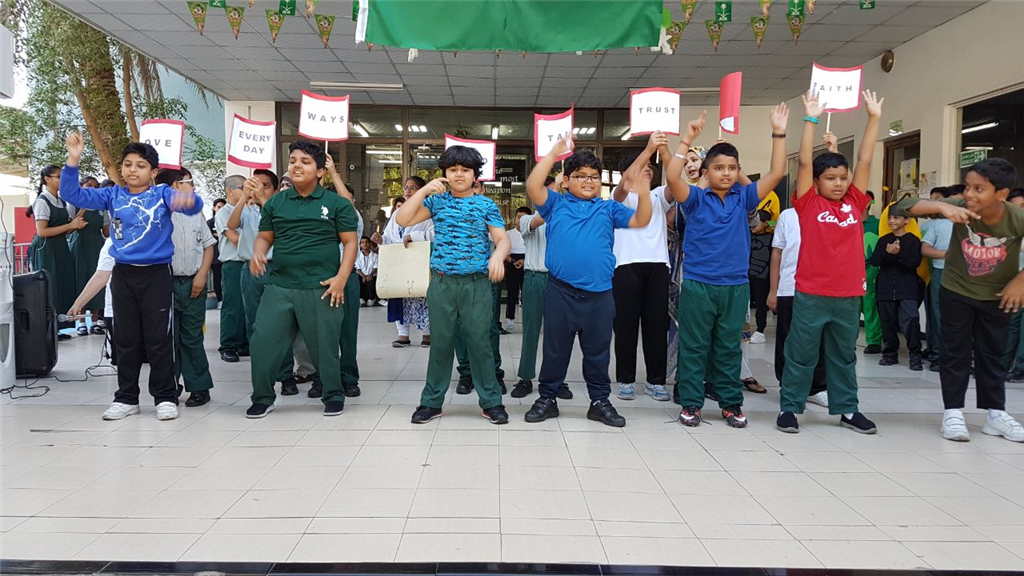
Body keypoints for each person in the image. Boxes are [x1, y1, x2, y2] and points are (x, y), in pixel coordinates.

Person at [61, 132, 203, 421]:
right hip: (123, 274)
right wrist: (73, 160)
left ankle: (165, 397)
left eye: (140, 165)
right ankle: (126, 398)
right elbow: (72, 194)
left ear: (154, 172)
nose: (132, 170)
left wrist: (188, 196)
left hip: (157, 274)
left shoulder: (162, 195)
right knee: (125, 339)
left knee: (158, 339)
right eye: (128, 164)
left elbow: (194, 206)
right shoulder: (112, 195)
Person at [666, 105, 790, 428]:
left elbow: (776, 173)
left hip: (735, 287)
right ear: (705, 172)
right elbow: (672, 177)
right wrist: (687, 138)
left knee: (729, 348)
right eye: (719, 168)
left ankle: (731, 403)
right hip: (699, 285)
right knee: (694, 347)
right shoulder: (695, 199)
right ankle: (691, 403)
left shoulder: (744, 198)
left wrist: (778, 132)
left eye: (732, 168)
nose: (726, 173)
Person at [523, 137, 652, 428]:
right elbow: (533, 185)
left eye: (594, 176)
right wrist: (553, 153)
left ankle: (599, 401)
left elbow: (642, 220)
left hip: (600, 295)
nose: (588, 181)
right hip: (561, 291)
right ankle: (547, 398)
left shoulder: (608, 209)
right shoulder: (555, 204)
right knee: (555, 350)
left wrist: (643, 191)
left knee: (598, 351)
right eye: (580, 176)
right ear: (566, 180)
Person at [776, 90, 884, 435]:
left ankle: (847, 409)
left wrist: (873, 118)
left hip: (848, 295)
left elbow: (865, 160)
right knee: (801, 353)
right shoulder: (808, 204)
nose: (838, 184)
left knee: (844, 356)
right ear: (817, 182)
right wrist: (810, 118)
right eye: (830, 178)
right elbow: (804, 162)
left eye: (842, 178)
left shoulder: (855, 203)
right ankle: (790, 408)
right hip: (811, 293)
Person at [898, 159, 1024, 443]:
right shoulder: (959, 205)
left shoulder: (1016, 218)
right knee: (954, 352)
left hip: (997, 296)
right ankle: (952, 413)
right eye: (968, 186)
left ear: (1002, 194)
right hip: (956, 291)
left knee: (993, 354)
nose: (970, 194)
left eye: (979, 188)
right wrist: (942, 207)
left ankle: (996, 414)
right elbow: (902, 207)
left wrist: (1020, 280)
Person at [396, 146, 511, 425]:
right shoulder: (436, 202)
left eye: (465, 170)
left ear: (475, 175)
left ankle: (492, 401)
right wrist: (424, 191)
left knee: (480, 343)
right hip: (442, 283)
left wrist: (498, 256)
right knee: (441, 343)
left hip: (476, 284)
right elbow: (403, 218)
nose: (459, 174)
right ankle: (431, 401)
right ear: (445, 174)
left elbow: (502, 239)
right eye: (453, 169)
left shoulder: (485, 205)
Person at [245, 140, 359, 419]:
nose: (297, 165)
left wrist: (341, 278)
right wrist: (258, 252)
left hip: (322, 286)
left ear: (320, 171)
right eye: (293, 160)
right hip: (280, 285)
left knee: (325, 347)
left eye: (305, 162)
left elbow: (350, 242)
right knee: (263, 341)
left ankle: (333, 394)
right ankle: (263, 397)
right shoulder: (276, 203)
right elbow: (265, 236)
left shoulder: (336, 204)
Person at [612, 133, 673, 402]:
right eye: (641, 166)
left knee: (656, 327)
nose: (647, 170)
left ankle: (655, 381)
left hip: (657, 266)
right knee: (625, 326)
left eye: (650, 167)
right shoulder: (619, 199)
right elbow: (625, 183)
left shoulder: (659, 195)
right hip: (626, 266)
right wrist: (648, 149)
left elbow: (675, 180)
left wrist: (665, 150)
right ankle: (625, 380)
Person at [155, 167, 217, 407]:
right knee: (167, 339)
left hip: (193, 282)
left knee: (192, 337)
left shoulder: (195, 214)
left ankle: (199, 386)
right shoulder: (158, 213)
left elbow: (208, 246)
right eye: (189, 181)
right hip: (164, 283)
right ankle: (168, 388)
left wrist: (202, 275)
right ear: (175, 186)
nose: (193, 186)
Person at [768, 207, 828, 408]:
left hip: (820, 288)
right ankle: (787, 384)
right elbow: (777, 253)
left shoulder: (828, 214)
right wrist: (773, 290)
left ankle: (816, 388)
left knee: (819, 339)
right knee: (787, 338)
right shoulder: (787, 215)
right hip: (789, 287)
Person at [374, 179, 434, 347]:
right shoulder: (397, 213)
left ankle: (427, 333)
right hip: (398, 261)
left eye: (413, 188)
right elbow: (389, 236)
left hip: (418, 262)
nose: (408, 191)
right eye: (406, 187)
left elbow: (435, 234)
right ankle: (403, 334)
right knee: (399, 294)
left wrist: (414, 236)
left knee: (421, 295)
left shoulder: (428, 212)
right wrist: (381, 239)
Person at [30, 164, 85, 337]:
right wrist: (70, 225)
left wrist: (76, 223)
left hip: (61, 247)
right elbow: (42, 232)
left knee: (62, 284)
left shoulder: (60, 201)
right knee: (49, 287)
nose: (63, 180)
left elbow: (65, 229)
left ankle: (57, 327)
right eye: (59, 177)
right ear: (47, 179)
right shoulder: (42, 201)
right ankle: (46, 330)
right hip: (46, 249)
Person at [869, 208, 924, 370]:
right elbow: (875, 261)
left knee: (911, 319)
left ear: (906, 220)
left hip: (907, 287)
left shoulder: (913, 240)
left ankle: (915, 354)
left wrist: (897, 254)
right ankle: (890, 353)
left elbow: (913, 263)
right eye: (889, 218)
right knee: (887, 322)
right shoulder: (884, 240)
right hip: (885, 287)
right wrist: (888, 253)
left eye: (896, 217)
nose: (891, 221)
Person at [922, 185, 965, 371]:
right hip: (942, 273)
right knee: (939, 316)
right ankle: (939, 356)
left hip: (970, 276)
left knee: (965, 317)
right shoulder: (938, 223)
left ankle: (963, 357)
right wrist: (948, 254)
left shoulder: (978, 223)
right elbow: (925, 249)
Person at [511, 204, 548, 398]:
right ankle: (525, 377)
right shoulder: (527, 219)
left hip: (559, 279)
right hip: (535, 277)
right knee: (531, 330)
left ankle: (555, 379)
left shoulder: (564, 217)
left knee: (558, 332)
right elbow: (538, 221)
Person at [70, 175, 109, 336]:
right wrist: (83, 209)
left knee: (98, 279)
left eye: (96, 186)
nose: (93, 189)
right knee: (80, 279)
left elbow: (106, 231)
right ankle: (80, 322)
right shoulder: (74, 203)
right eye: (89, 186)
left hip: (96, 245)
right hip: (79, 243)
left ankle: (94, 321)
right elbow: (70, 227)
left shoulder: (102, 207)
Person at [216, 176, 249, 362]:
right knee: (233, 305)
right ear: (230, 191)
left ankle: (244, 344)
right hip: (233, 263)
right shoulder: (224, 213)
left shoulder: (248, 210)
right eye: (242, 187)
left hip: (249, 262)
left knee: (247, 305)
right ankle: (228, 345)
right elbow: (234, 238)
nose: (247, 190)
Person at [68, 237, 116, 364]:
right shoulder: (112, 243)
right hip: (117, 310)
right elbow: (100, 276)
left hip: (146, 308)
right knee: (121, 357)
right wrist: (78, 304)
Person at [1003, 189, 1024, 382]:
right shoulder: (1007, 230)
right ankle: (1002, 364)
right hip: (1011, 285)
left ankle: (1021, 367)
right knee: (1010, 325)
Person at [748, 209, 773, 344]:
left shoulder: (772, 238)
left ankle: (760, 330)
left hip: (763, 277)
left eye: (756, 222)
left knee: (760, 304)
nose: (753, 225)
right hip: (746, 275)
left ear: (765, 223)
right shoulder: (746, 235)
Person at [503, 216, 526, 334]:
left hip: (528, 263)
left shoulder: (531, 233)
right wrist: (512, 261)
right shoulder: (508, 233)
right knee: (512, 293)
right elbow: (503, 250)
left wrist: (524, 261)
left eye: (524, 217)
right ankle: (510, 321)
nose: (520, 220)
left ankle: (528, 322)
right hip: (512, 263)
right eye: (518, 217)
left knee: (527, 295)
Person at [208, 198, 226, 303]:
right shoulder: (210, 223)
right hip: (215, 256)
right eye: (219, 207)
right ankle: (220, 300)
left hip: (226, 255)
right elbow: (209, 238)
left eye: (223, 207)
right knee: (217, 278)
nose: (221, 209)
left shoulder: (230, 221)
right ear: (214, 208)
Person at [356, 236, 380, 306]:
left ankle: (372, 298)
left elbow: (375, 267)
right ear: (360, 245)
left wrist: (370, 275)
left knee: (371, 281)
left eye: (367, 242)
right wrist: (363, 276)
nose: (365, 244)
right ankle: (360, 298)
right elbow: (358, 268)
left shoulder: (375, 256)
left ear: (370, 244)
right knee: (356, 279)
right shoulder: (357, 256)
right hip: (361, 275)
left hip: (371, 275)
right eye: (362, 242)